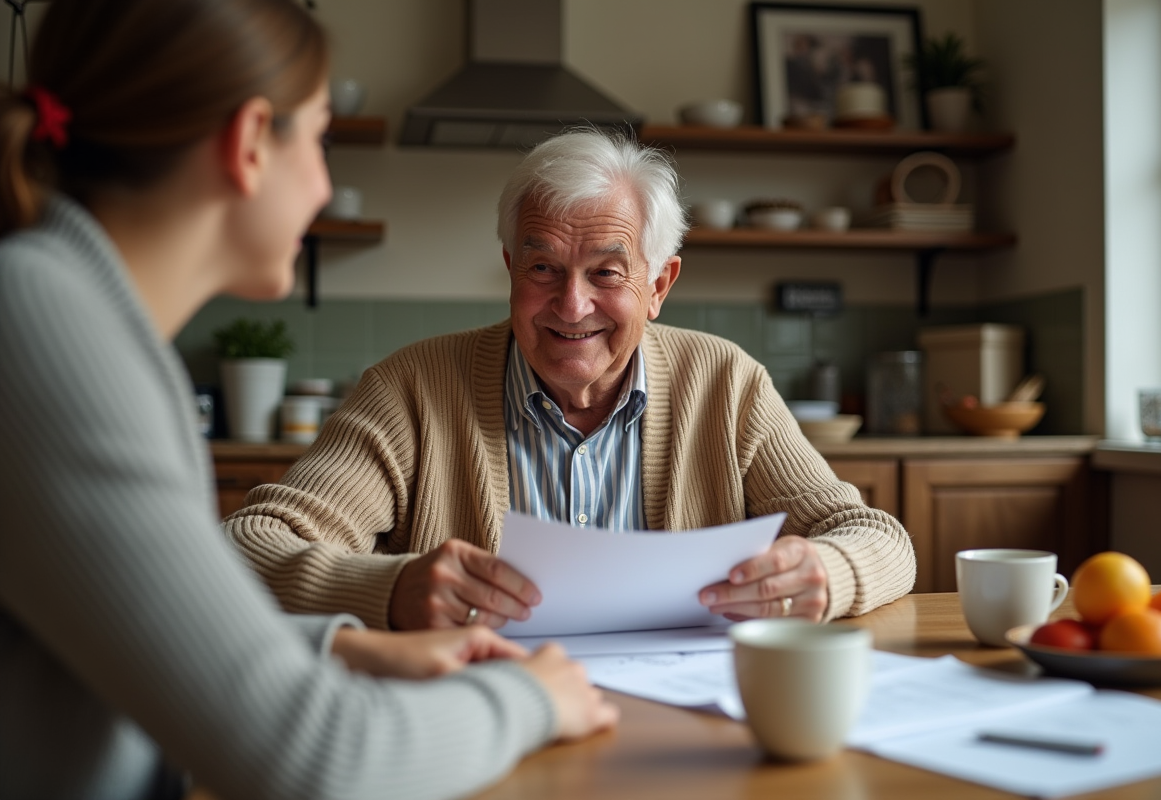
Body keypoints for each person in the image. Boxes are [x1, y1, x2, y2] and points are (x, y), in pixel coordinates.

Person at [0, 2, 617, 799]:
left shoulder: (67, 307)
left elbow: (146, 631)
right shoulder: (45, 327)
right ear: (251, 142)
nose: (326, 186)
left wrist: (347, 646)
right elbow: (313, 756)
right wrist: (533, 697)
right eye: (320, 138)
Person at [224, 129, 916, 633]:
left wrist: (827, 573)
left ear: (658, 285)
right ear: (510, 271)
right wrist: (390, 587)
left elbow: (876, 535)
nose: (572, 304)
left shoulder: (727, 384)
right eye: (543, 268)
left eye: (607, 272)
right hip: (482, 716)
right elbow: (249, 542)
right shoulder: (410, 389)